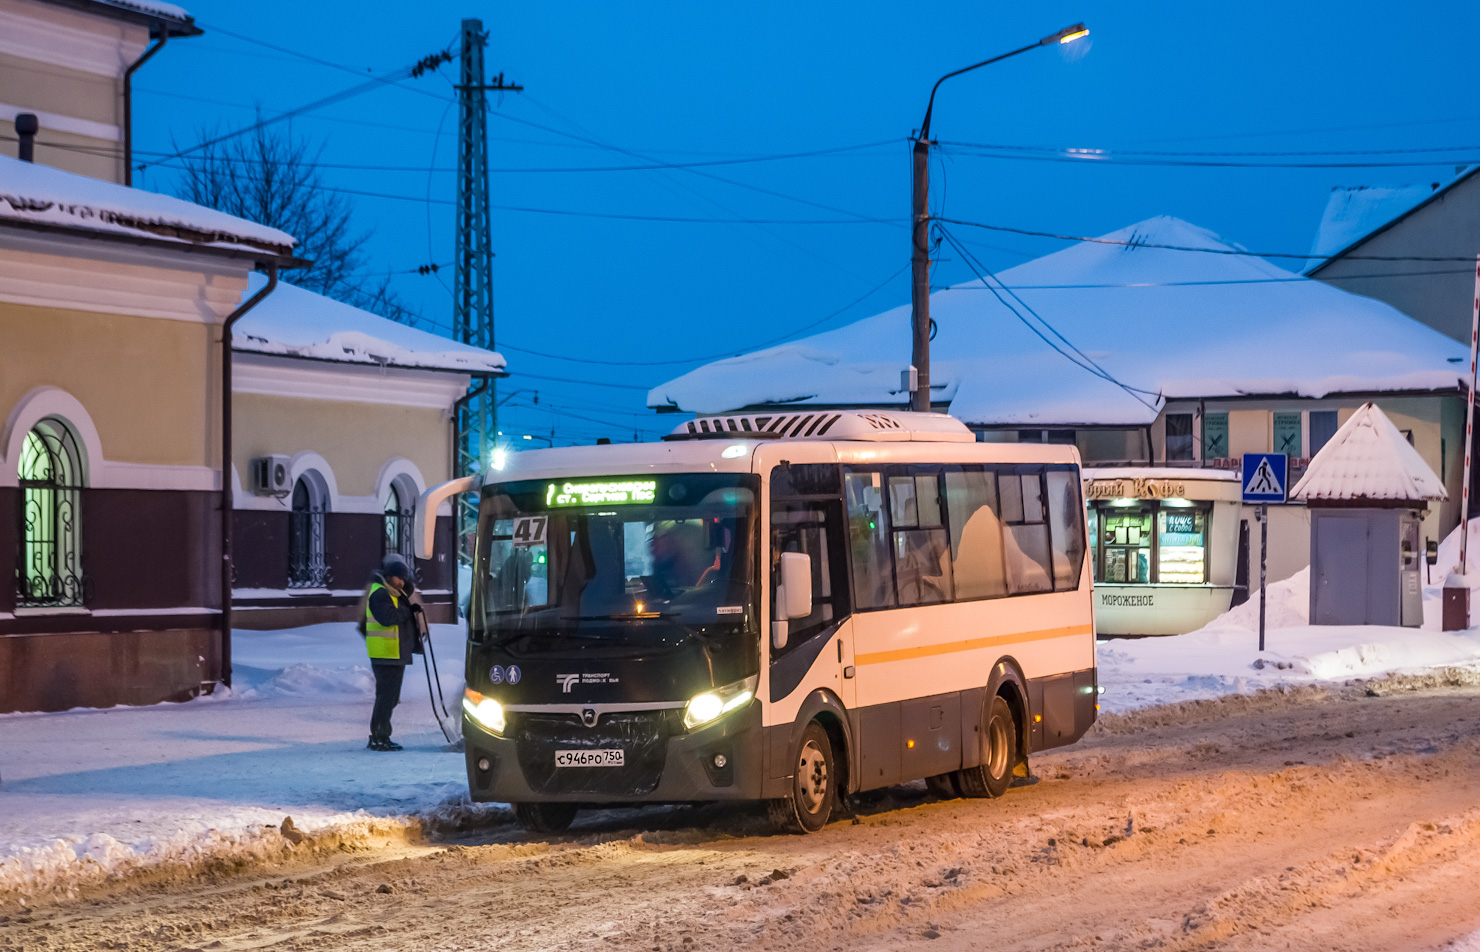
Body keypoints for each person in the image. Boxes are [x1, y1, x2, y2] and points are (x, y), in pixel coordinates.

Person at [359, 553, 425, 751]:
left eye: (405, 579)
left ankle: (382, 735)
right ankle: (379, 736)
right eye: (399, 578)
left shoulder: (394, 594)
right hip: (386, 654)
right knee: (386, 698)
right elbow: (388, 618)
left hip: (394, 654)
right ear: (390, 576)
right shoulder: (380, 593)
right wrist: (409, 611)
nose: (402, 582)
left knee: (390, 697)